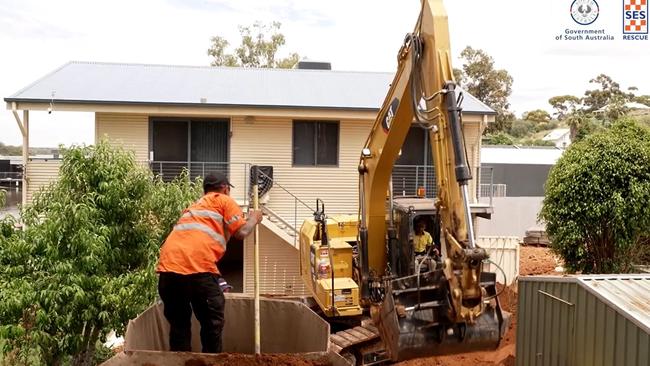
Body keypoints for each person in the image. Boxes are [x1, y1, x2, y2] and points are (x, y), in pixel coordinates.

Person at [156, 172, 263, 353]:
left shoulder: (193, 208)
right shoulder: (223, 200)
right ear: (224, 188)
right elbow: (242, 232)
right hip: (197, 271)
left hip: (168, 273)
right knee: (212, 324)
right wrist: (254, 217)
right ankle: (211, 361)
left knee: (179, 327)